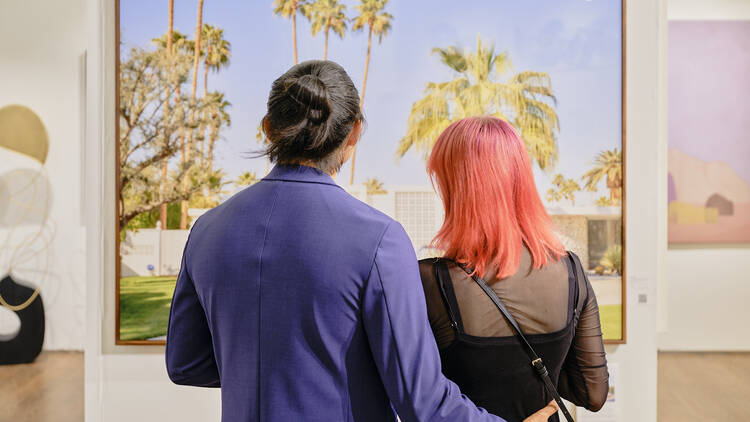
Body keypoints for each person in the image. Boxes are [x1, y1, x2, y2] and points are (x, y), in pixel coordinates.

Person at [165, 61, 558, 422]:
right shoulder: (378, 239)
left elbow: (185, 363)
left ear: (268, 128)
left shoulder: (207, 231)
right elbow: (420, 398)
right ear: (353, 133)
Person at [418, 116, 610, 421]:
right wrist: (545, 396)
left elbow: (420, 397)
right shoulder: (571, 271)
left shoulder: (429, 281)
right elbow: (593, 394)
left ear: (458, 187)